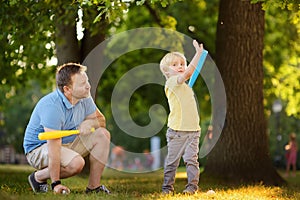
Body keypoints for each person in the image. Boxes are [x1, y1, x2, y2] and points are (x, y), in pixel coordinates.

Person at [23, 63, 111, 194]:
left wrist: (90, 123)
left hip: (65, 142)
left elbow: (101, 121)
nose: (88, 86)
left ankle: (94, 187)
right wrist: (56, 184)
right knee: (77, 164)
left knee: (103, 134)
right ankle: (38, 177)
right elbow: (53, 147)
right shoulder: (52, 106)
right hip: (39, 148)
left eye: (87, 81)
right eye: (82, 84)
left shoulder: (85, 97)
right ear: (67, 89)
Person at [159, 40, 203, 195]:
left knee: (192, 161)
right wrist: (198, 54)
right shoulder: (171, 82)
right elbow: (189, 72)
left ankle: (192, 187)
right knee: (172, 162)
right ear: (167, 71)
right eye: (175, 65)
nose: (180, 67)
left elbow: (189, 73)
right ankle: (167, 188)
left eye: (182, 64)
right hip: (177, 131)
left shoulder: (185, 86)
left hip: (193, 130)